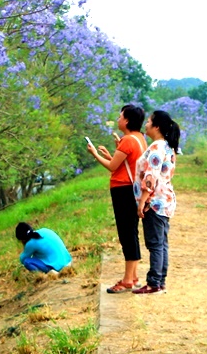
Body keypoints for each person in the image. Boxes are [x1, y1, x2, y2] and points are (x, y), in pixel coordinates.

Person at [86, 104, 147, 293]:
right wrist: (112, 152)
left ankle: (128, 279)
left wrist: (95, 154)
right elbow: (125, 162)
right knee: (131, 232)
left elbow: (113, 167)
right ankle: (133, 276)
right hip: (132, 190)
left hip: (123, 190)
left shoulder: (128, 140)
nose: (118, 119)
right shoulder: (139, 139)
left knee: (126, 233)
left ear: (127, 120)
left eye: (121, 116)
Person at [132, 109, 179, 295]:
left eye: (149, 122)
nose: (146, 124)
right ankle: (160, 281)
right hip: (164, 200)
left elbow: (150, 176)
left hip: (155, 202)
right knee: (161, 243)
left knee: (155, 244)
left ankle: (153, 283)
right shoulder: (167, 147)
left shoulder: (156, 148)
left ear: (156, 126)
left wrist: (143, 201)